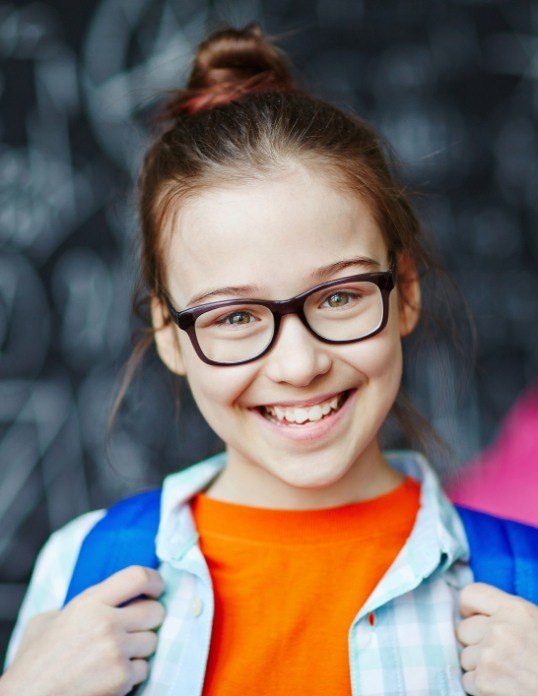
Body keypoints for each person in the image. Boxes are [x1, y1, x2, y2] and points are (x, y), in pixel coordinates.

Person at [2, 23, 537, 696]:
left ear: (404, 293)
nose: (298, 363)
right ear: (170, 334)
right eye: (235, 317)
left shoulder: (522, 596)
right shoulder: (82, 574)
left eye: (340, 297)